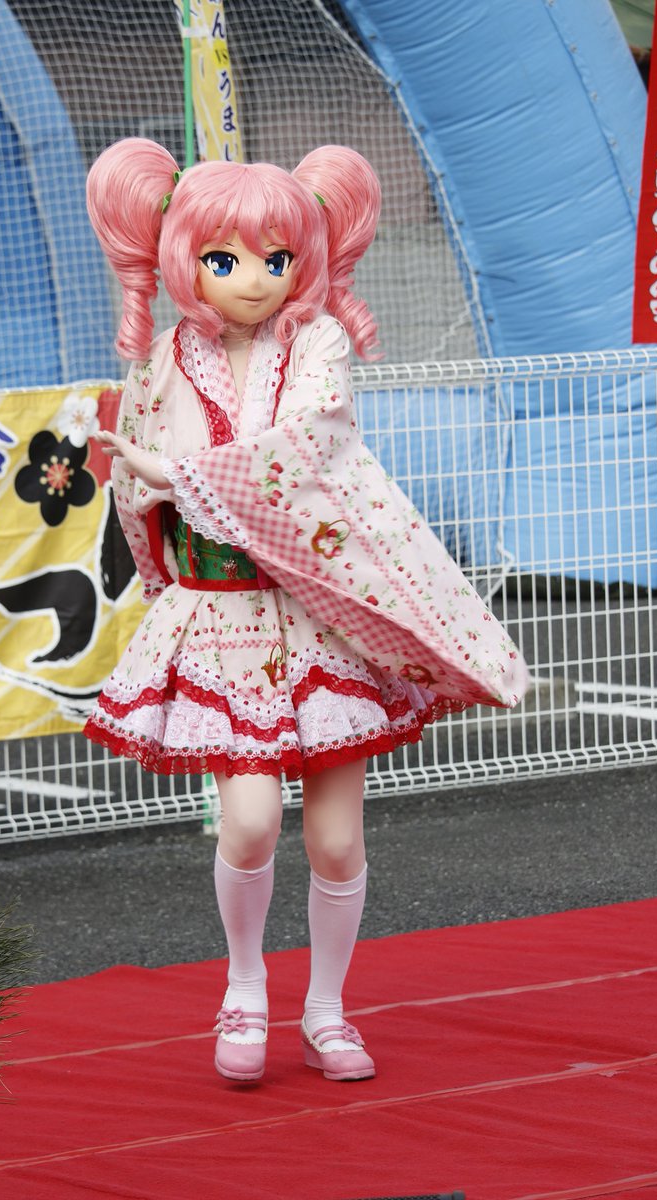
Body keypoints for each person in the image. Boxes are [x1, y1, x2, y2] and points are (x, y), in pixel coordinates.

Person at [83, 138, 529, 1085]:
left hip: (321, 613)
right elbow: (133, 490)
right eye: (224, 258)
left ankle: (327, 1007)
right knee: (247, 823)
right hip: (221, 614)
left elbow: (311, 448)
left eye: (277, 257)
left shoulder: (317, 344)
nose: (254, 279)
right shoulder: (163, 359)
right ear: (184, 258)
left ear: (305, 259)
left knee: (335, 837)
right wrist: (159, 545)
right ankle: (244, 987)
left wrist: (177, 473)